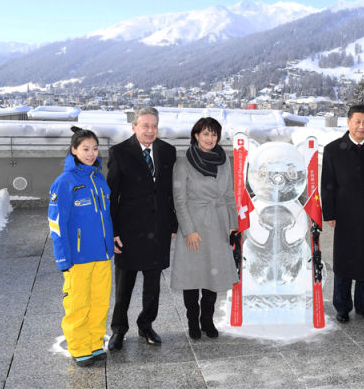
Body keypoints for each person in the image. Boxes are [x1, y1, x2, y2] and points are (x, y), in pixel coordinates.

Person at [106, 107, 177, 350]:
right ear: (134, 126)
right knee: (124, 285)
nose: (150, 130)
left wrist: (173, 223)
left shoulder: (167, 151)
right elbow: (112, 195)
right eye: (145, 125)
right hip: (129, 230)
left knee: (153, 284)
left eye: (154, 126)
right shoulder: (119, 152)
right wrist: (113, 231)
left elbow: (170, 192)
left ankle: (146, 325)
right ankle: (118, 330)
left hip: (159, 228)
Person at [48, 127, 114, 366]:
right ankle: (79, 347)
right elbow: (56, 224)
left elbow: (106, 216)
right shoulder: (64, 182)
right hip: (78, 257)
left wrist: (111, 241)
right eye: (85, 149)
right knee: (78, 305)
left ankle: (95, 343)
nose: (91, 153)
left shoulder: (98, 178)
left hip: (102, 255)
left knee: (99, 303)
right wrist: (62, 258)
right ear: (74, 150)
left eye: (95, 149)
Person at [321, 104, 364, 323]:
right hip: (345, 216)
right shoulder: (333, 149)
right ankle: (342, 307)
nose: (362, 126)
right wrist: (330, 213)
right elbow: (328, 184)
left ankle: (363, 306)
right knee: (344, 263)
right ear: (348, 122)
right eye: (358, 121)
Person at [170, 117, 238, 340]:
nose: (210, 138)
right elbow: (179, 200)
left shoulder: (224, 161)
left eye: (214, 134)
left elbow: (229, 195)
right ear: (196, 135)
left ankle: (207, 320)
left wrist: (233, 225)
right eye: (206, 133)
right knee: (192, 276)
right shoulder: (183, 163)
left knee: (213, 275)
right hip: (194, 224)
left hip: (218, 224)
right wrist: (189, 230)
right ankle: (192, 319)